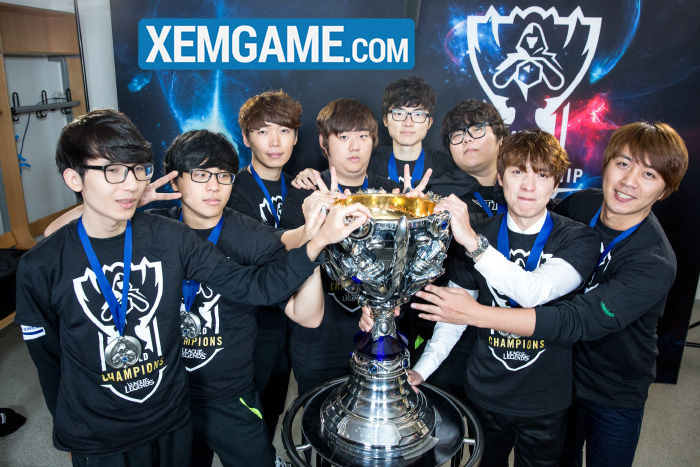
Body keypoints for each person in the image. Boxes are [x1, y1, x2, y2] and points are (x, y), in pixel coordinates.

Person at [15, 109, 370, 467]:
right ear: (175, 180)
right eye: (200, 175)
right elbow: (49, 351)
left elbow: (260, 279)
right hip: (136, 410)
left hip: (205, 398)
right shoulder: (144, 231)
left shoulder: (185, 237)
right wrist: (131, 199)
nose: (213, 186)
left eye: (137, 171)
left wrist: (314, 239)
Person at [411, 122, 689, 467]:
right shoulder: (581, 205)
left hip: (612, 384)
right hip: (561, 373)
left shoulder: (653, 262)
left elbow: (564, 314)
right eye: (623, 164)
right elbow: (527, 217)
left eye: (648, 174)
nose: (629, 181)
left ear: (664, 191)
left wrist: (474, 306)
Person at [412, 130, 599, 466]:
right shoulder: (480, 232)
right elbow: (453, 317)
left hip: (545, 398)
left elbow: (533, 293)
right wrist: (421, 371)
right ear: (500, 177)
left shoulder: (579, 239)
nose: (528, 186)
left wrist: (473, 243)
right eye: (517, 172)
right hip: (485, 393)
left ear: (556, 185)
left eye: (541, 175)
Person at [279, 98, 404, 396]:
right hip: (317, 344)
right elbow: (287, 261)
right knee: (317, 418)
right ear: (324, 142)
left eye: (363, 136)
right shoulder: (305, 194)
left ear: (374, 140)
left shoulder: (391, 193)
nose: (355, 146)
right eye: (343, 136)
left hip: (379, 339)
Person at [400, 98, 509, 399]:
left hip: (510, 330)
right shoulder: (434, 196)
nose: (467, 140)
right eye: (457, 135)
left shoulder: (523, 191)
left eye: (476, 130)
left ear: (500, 137)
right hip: (445, 331)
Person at [226, 90, 301, 441]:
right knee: (246, 408)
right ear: (246, 137)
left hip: (292, 315)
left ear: (295, 137)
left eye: (284, 131)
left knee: (274, 403)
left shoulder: (301, 187)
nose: (275, 142)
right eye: (262, 131)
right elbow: (253, 249)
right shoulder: (231, 190)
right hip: (250, 319)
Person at [367, 76, 456, 186]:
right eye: (399, 113)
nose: (408, 123)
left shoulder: (447, 165)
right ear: (385, 120)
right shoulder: (368, 162)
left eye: (418, 114)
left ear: (429, 122)